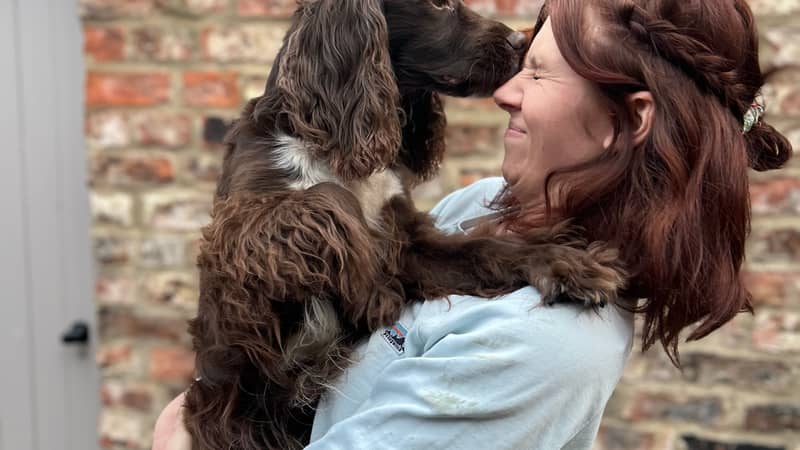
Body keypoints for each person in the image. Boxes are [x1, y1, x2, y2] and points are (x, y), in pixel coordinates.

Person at [152, 0, 792, 448]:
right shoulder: (487, 205)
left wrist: (174, 436)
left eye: (537, 72)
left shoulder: (544, 346)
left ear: (629, 119)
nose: (506, 90)